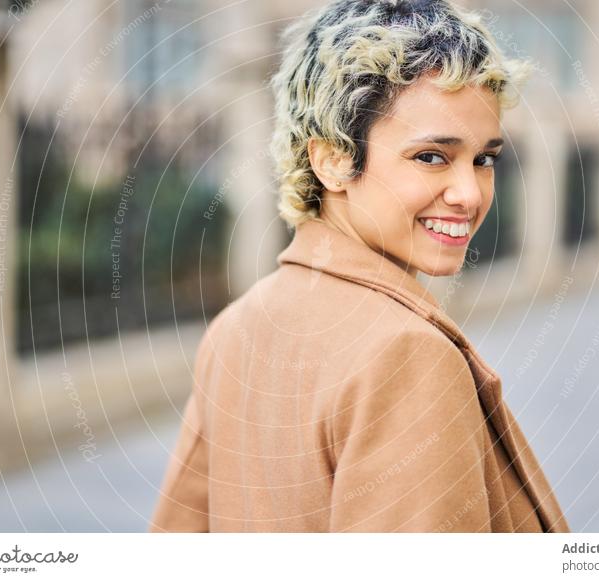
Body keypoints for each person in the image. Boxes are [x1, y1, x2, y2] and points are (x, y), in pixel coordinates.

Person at [149, 0, 569, 532]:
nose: (469, 192)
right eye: (432, 156)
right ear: (333, 160)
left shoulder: (238, 327)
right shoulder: (408, 357)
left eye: (484, 159)